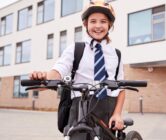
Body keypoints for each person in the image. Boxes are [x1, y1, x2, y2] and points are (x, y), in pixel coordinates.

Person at [29, 0, 125, 138]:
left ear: (109, 24)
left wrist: (117, 114)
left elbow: (121, 89)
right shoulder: (75, 49)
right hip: (80, 107)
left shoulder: (116, 54)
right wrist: (43, 78)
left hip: (108, 108)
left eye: (103, 21)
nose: (98, 26)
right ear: (85, 24)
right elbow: (57, 71)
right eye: (93, 21)